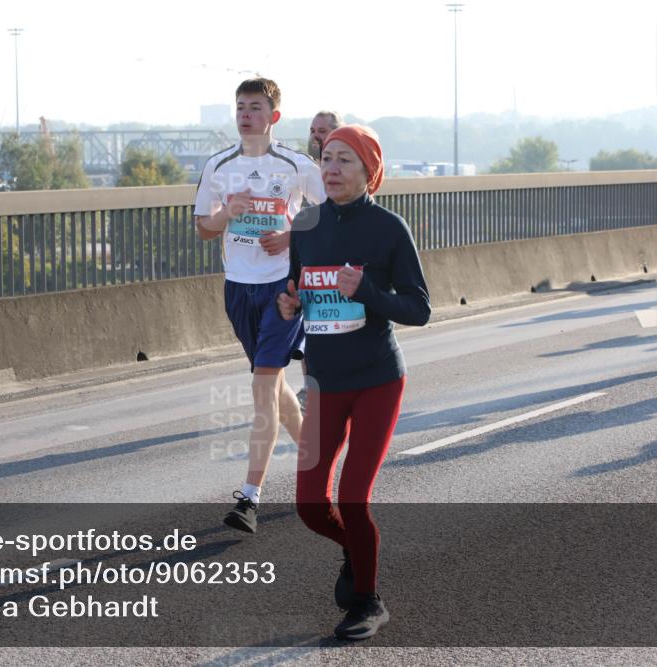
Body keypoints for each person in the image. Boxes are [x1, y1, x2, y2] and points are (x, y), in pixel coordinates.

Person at [278, 125, 430, 639]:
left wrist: (367, 290)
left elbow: (419, 308)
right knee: (309, 506)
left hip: (377, 380)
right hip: (324, 380)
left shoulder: (388, 228)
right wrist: (290, 301)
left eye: (345, 160)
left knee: (353, 499)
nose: (332, 168)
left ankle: (367, 602)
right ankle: (354, 547)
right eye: (326, 158)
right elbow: (297, 287)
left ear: (369, 171)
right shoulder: (306, 225)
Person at [195, 79, 325, 533]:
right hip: (238, 288)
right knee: (272, 387)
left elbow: (331, 214)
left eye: (255, 107)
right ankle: (318, 462)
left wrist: (293, 236)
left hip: (283, 289)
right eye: (240, 107)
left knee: (263, 387)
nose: (245, 114)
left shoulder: (296, 165)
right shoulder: (219, 165)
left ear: (273, 116)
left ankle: (249, 497)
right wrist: (228, 212)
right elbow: (204, 229)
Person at [295, 110, 345, 411]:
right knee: (310, 321)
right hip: (313, 255)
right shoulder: (304, 166)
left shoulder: (348, 167)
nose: (316, 135)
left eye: (322, 130)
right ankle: (311, 385)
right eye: (312, 129)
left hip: (339, 255)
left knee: (335, 321)